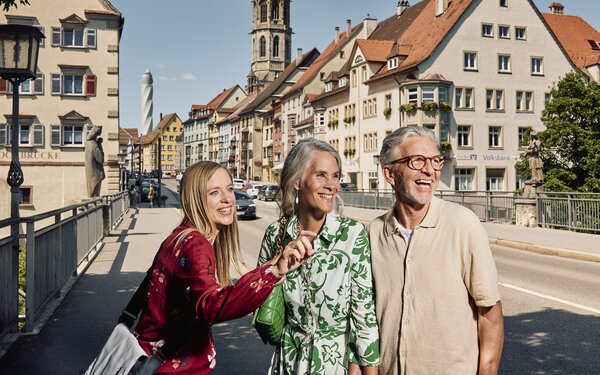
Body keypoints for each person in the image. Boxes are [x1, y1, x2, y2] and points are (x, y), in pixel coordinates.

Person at [133, 161, 316, 374]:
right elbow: (211, 306)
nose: (227, 198)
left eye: (229, 189)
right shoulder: (195, 245)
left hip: (150, 358)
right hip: (168, 367)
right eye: (214, 192)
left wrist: (274, 266)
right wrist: (272, 274)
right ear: (196, 199)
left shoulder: (179, 237)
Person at [368, 126, 504, 374]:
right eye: (417, 161)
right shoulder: (374, 233)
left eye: (435, 161)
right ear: (390, 174)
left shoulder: (463, 224)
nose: (429, 170)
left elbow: (489, 311)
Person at [257, 138, 380, 375]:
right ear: (297, 181)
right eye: (321, 175)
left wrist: (369, 370)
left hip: (336, 364)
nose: (332, 185)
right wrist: (276, 271)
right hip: (289, 362)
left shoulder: (352, 235)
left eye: (335, 176)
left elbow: (364, 318)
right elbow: (256, 298)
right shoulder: (275, 233)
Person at [85, 126, 105, 197]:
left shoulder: (88, 144)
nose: (97, 137)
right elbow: (101, 159)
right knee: (95, 193)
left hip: (91, 174)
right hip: (95, 174)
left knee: (93, 192)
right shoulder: (93, 145)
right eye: (97, 135)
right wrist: (99, 144)